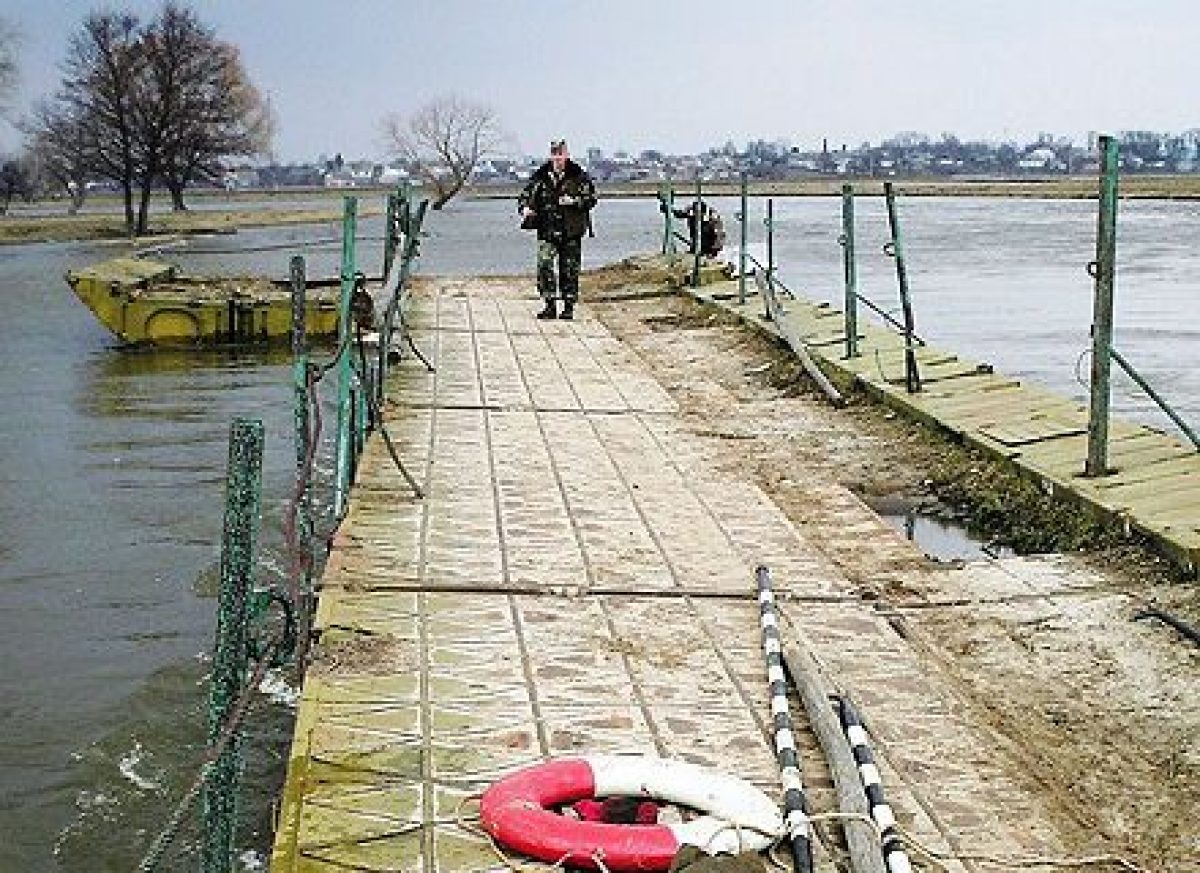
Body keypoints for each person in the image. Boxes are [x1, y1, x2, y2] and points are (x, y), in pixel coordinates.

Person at [518, 140, 597, 320]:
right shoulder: (541, 176)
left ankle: (568, 306)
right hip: (547, 229)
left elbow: (592, 199)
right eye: (554, 154)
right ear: (550, 155)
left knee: (569, 269)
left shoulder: (578, 175)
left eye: (561, 154)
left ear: (567, 155)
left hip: (571, 231)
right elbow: (524, 197)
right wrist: (525, 210)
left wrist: (574, 201)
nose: (558, 158)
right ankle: (549, 304)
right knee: (544, 264)